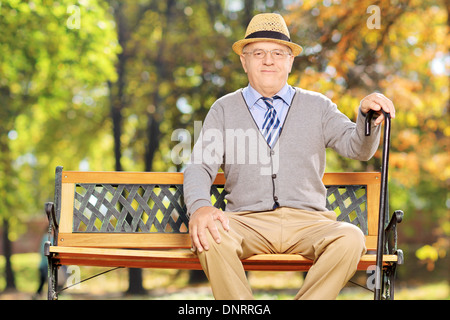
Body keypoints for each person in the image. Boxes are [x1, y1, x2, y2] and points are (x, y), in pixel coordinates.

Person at [183, 13, 395, 300]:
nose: (268, 60)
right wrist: (199, 207)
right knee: (210, 236)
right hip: (246, 221)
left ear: (290, 61)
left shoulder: (318, 106)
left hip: (309, 221)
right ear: (244, 61)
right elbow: (199, 165)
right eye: (258, 53)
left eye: (278, 53)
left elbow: (357, 148)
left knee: (350, 238)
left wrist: (367, 118)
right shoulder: (223, 109)